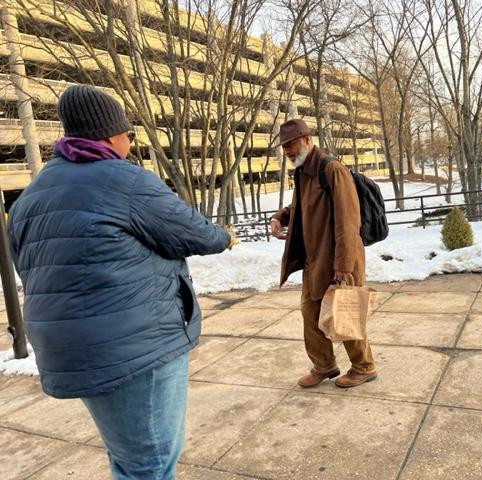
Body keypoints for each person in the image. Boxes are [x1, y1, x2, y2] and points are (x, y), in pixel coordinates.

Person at [8, 84, 234, 480]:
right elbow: (194, 233)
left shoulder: (32, 195)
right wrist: (227, 236)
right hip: (132, 346)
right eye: (129, 134)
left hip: (68, 346)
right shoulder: (125, 180)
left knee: (128, 457)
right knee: (150, 462)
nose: (130, 142)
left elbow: (26, 262)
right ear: (112, 135)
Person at [270, 119, 377, 388]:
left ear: (307, 140)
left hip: (340, 258)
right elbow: (298, 207)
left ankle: (364, 366)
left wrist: (343, 264)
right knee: (310, 313)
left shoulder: (331, 169)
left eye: (291, 144)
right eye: (284, 147)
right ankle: (324, 365)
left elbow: (348, 221)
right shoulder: (303, 172)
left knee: (345, 312)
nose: (288, 151)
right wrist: (278, 218)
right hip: (314, 259)